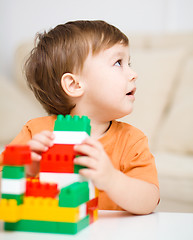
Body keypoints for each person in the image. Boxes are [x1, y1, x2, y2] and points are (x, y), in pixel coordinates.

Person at [0, 20, 159, 214]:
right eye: (118, 62)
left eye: (129, 63)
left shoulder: (132, 141)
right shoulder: (36, 133)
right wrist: (24, 171)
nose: (133, 74)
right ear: (74, 85)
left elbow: (149, 201)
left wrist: (112, 179)